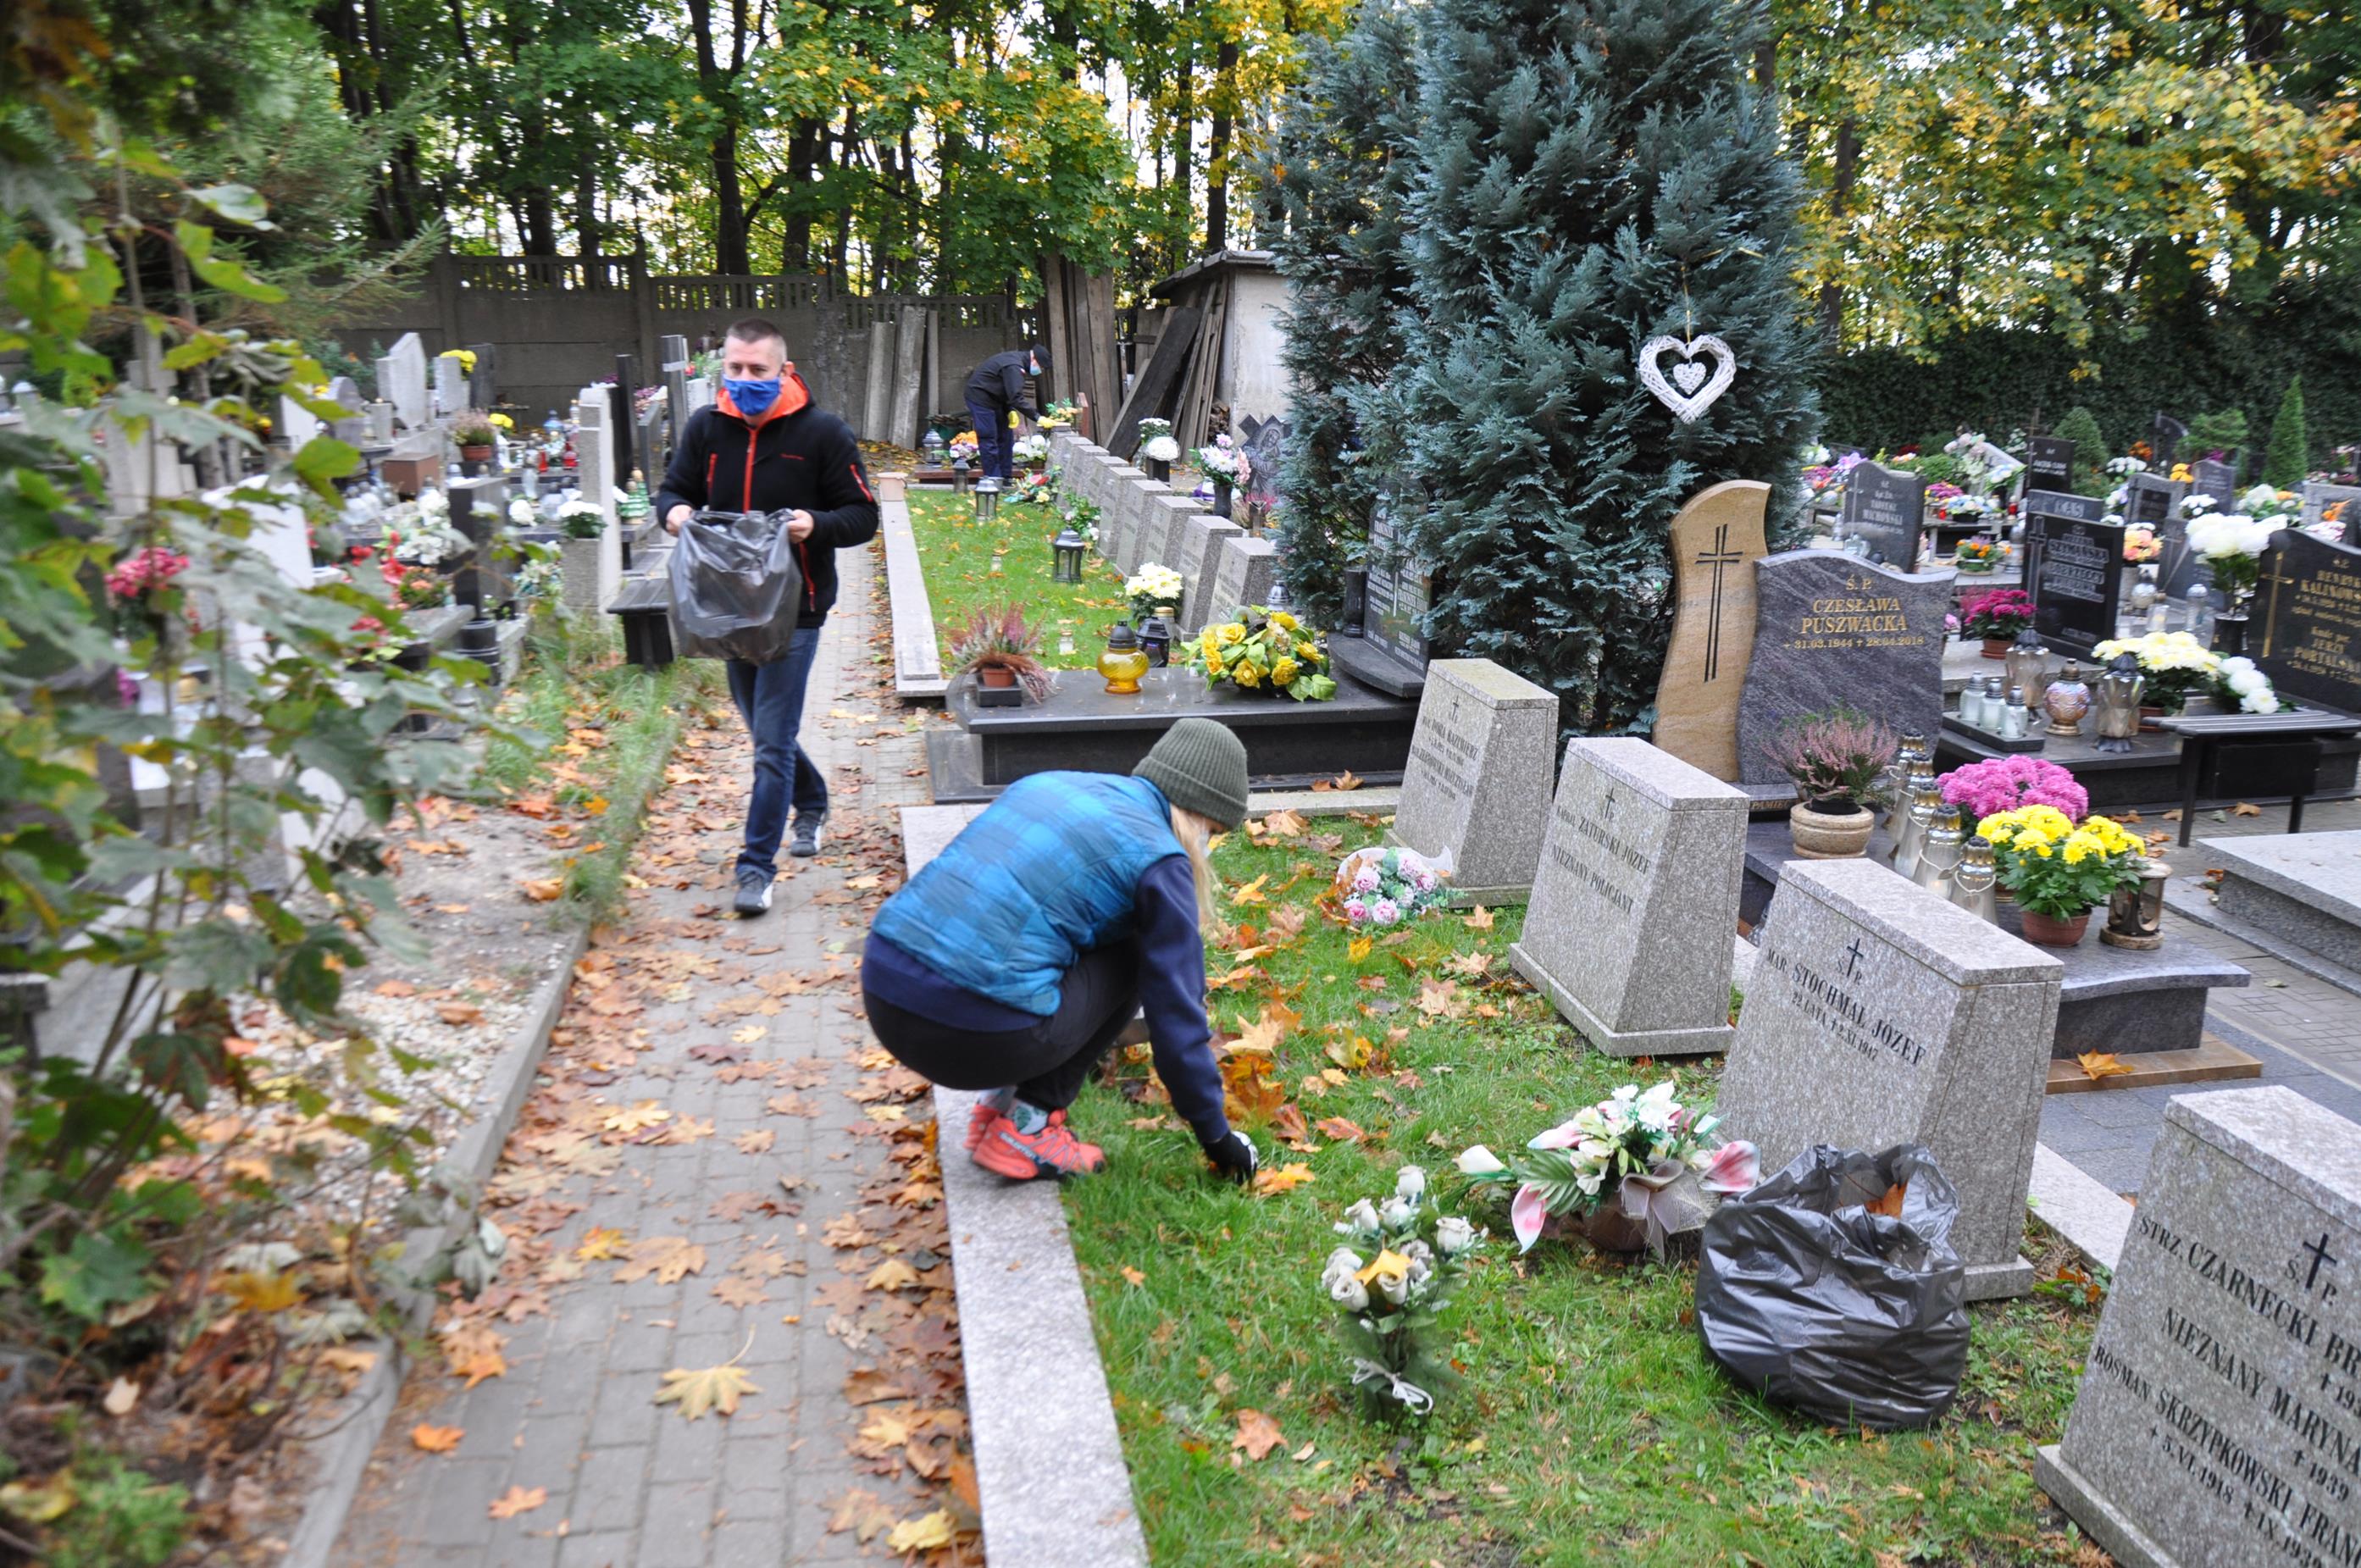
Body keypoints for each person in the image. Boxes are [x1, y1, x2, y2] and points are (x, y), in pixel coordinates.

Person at [862, 719, 1261, 1183]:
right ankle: (1026, 1125)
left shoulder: (1049, 783)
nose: (1207, 846)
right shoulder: (1161, 860)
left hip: (884, 987)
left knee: (1046, 936)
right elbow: (1178, 1019)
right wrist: (1218, 1138)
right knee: (1136, 954)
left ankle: (995, 1109)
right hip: (971, 1033)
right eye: (1211, 831)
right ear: (1197, 816)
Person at [656, 317, 878, 917]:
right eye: (735, 369)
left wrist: (816, 523)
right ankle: (811, 802)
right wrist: (674, 513)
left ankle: (755, 868)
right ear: (721, 368)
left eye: (758, 370)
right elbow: (671, 490)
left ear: (784, 369)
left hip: (796, 611)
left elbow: (862, 514)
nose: (745, 380)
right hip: (727, 610)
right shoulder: (706, 428)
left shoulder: (823, 433)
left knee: (769, 744)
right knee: (765, 734)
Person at [962, 343, 1050, 483]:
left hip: (996, 399)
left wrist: (1009, 410)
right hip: (980, 397)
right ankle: (993, 479)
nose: (1041, 371)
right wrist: (1038, 417)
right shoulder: (1014, 366)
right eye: (1041, 367)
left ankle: (1005, 477)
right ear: (1034, 360)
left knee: (1006, 437)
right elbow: (1016, 397)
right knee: (988, 436)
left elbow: (1006, 389)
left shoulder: (1017, 363)